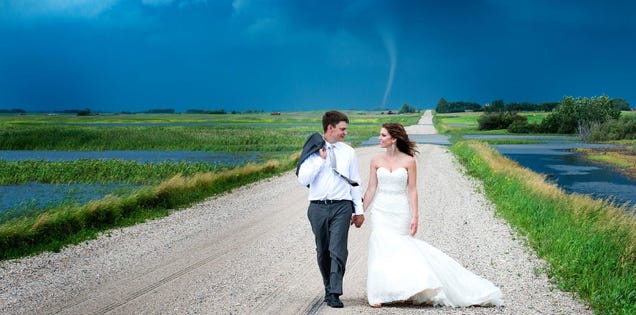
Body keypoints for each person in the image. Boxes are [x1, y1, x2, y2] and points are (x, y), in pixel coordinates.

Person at [362, 123, 503, 308]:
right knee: (380, 245)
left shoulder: (409, 161)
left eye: (382, 135)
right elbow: (371, 188)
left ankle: (407, 289)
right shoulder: (375, 160)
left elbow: (412, 190)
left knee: (401, 247)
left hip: (399, 209)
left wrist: (415, 216)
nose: (379, 138)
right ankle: (378, 293)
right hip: (381, 209)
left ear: (393, 138)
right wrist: (360, 211)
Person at [297, 110, 365, 308]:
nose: (345, 132)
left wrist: (358, 210)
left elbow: (355, 183)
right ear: (330, 128)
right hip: (318, 207)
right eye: (342, 129)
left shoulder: (349, 152)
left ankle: (335, 292)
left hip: (342, 207)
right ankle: (328, 288)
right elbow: (303, 179)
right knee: (323, 250)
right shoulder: (313, 150)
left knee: (338, 250)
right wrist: (320, 160)